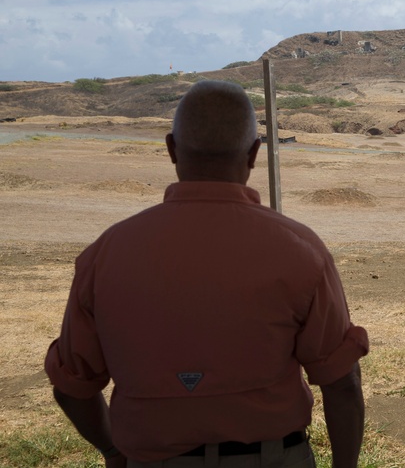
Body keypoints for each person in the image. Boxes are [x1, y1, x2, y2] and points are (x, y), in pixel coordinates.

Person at [45, 80, 368, 468]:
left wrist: (113, 451)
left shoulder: (106, 252)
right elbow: (342, 384)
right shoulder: (300, 249)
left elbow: (72, 387)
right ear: (253, 153)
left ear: (171, 149)